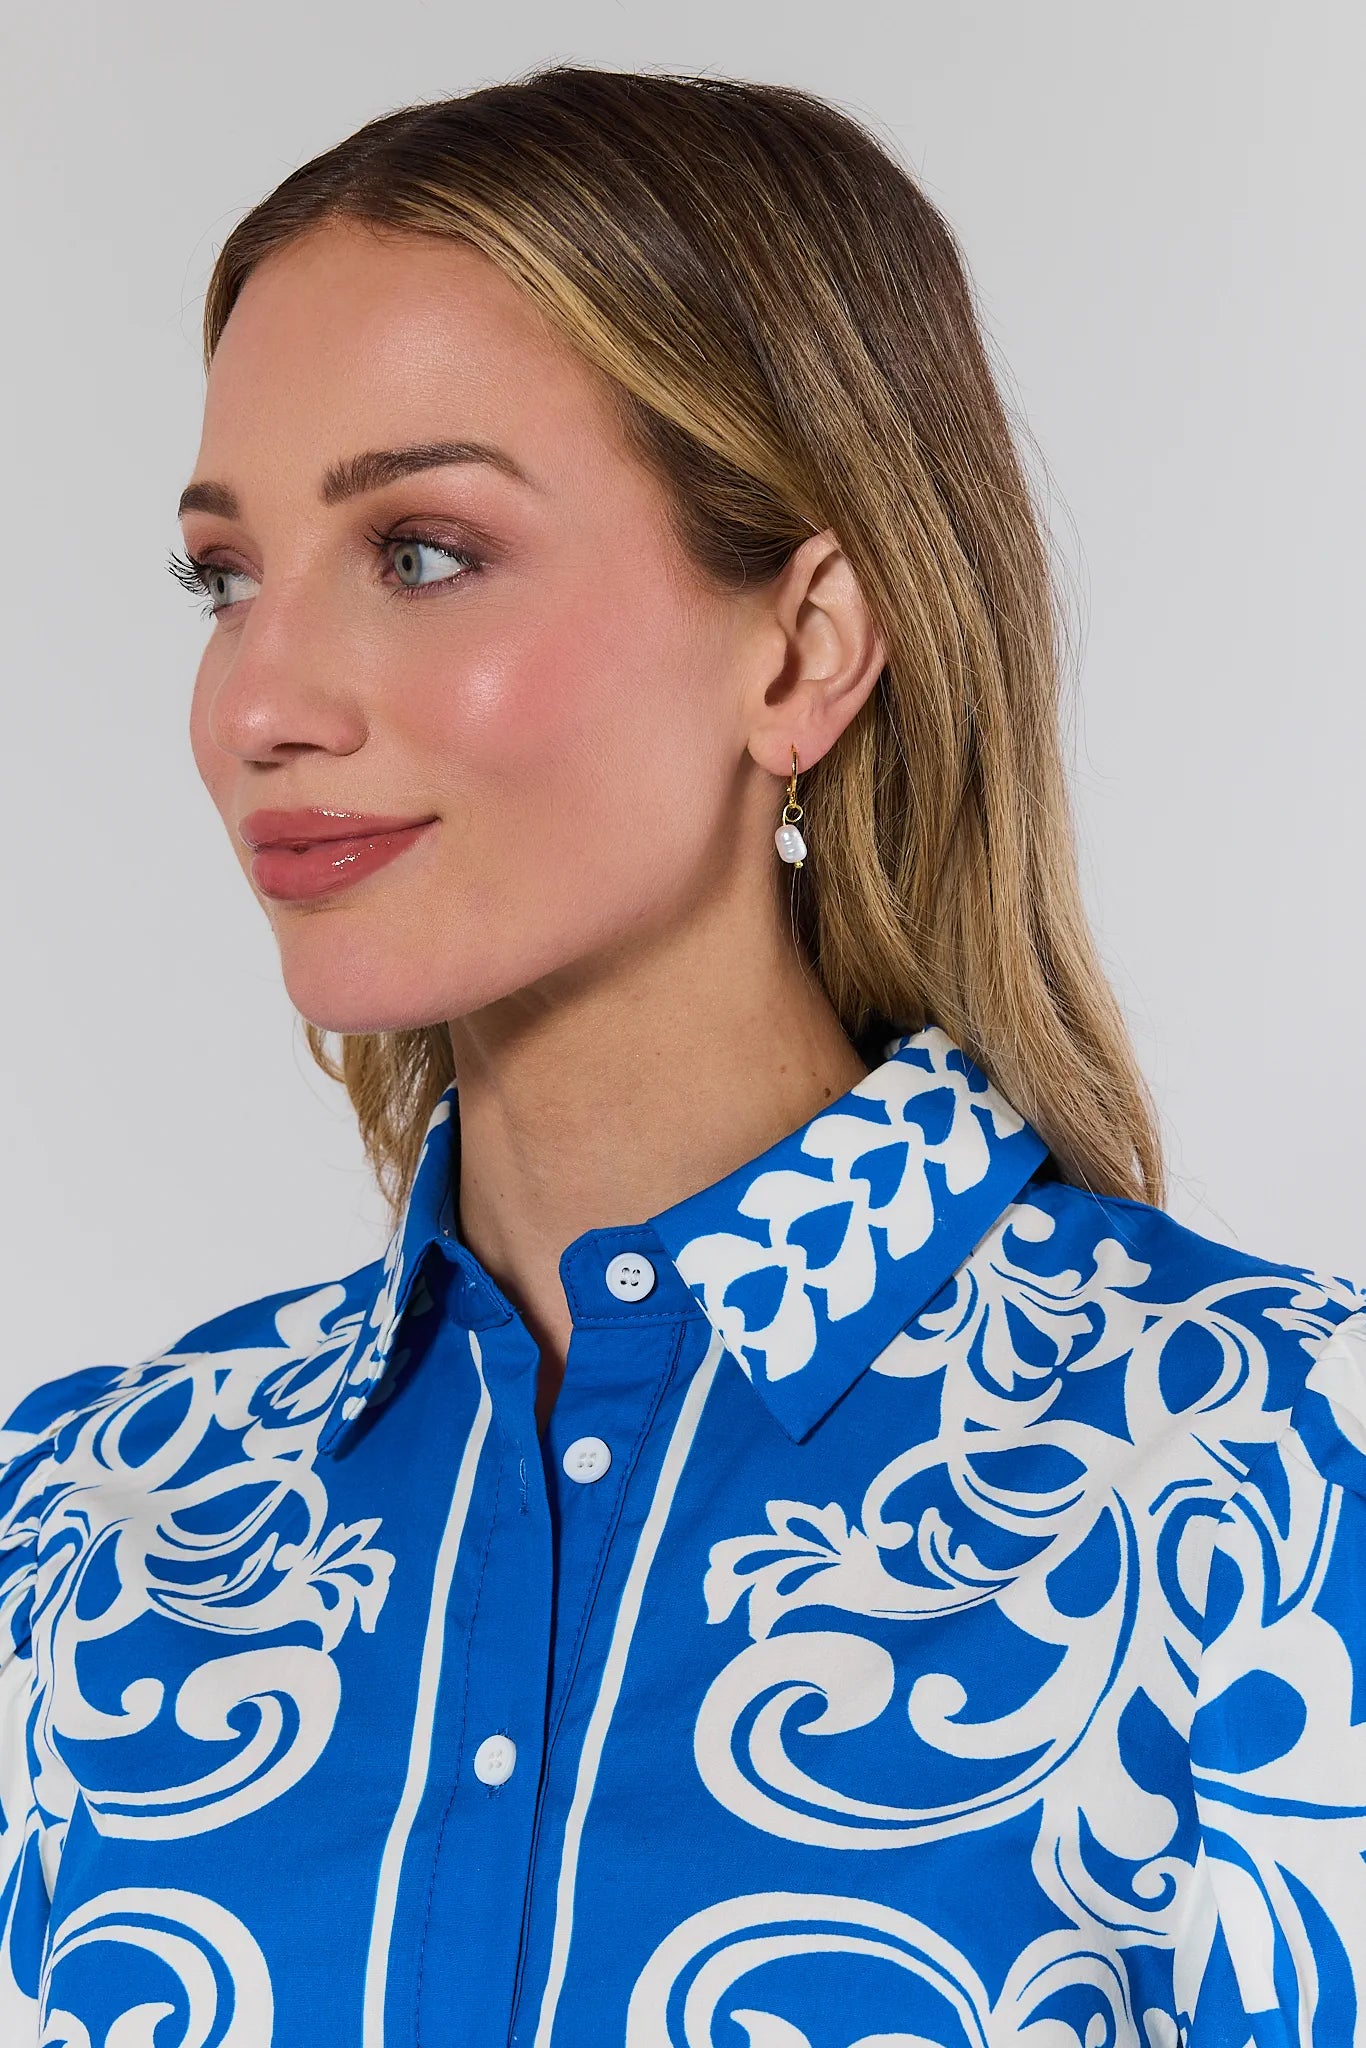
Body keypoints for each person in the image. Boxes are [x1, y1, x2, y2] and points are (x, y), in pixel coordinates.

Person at [1, 62, 1361, 2048]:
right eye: (226, 576)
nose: (259, 702)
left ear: (802, 646)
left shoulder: (1267, 1478)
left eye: (422, 549)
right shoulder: (78, 1532)